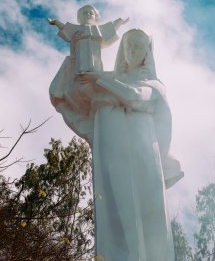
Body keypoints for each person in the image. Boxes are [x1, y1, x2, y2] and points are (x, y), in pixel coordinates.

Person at [76, 28, 184, 261]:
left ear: (147, 53)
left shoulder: (153, 84)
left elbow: (137, 97)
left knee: (147, 218)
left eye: (139, 46)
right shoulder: (107, 85)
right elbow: (82, 114)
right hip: (114, 157)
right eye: (129, 45)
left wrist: (101, 79)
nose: (133, 50)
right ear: (122, 50)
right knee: (116, 216)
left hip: (144, 157)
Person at [48, 4, 129, 116]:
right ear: (79, 17)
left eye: (90, 12)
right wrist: (56, 22)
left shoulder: (98, 29)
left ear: (96, 16)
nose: (87, 14)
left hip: (94, 55)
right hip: (81, 55)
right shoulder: (77, 29)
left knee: (95, 67)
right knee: (81, 68)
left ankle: (94, 77)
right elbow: (66, 28)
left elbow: (111, 28)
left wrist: (120, 21)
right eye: (84, 13)